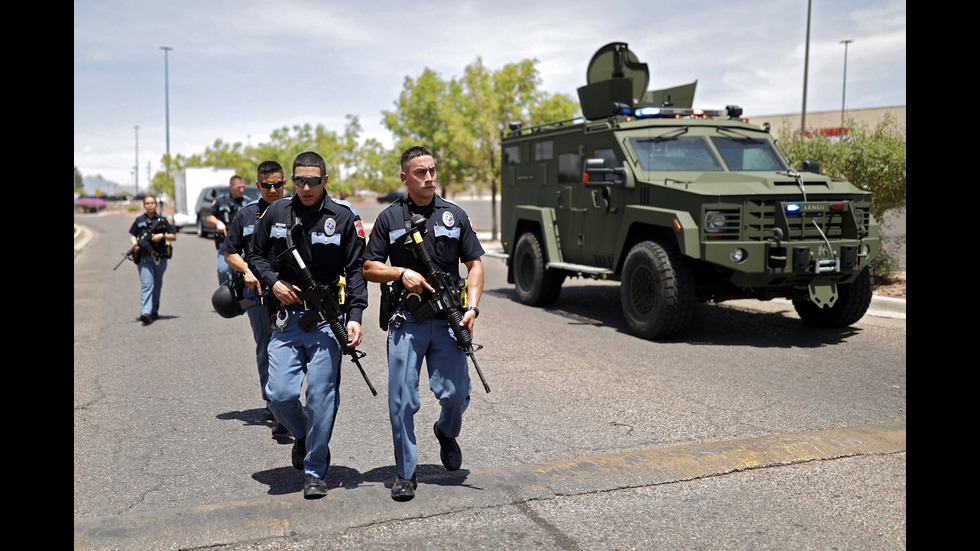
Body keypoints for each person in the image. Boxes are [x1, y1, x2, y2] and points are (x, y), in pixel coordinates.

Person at [363, 146, 484, 501]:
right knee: (401, 401)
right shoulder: (389, 218)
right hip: (408, 320)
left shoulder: (454, 214)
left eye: (432, 170)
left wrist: (472, 308)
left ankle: (446, 431)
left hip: (448, 320)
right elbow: (369, 267)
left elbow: (474, 264)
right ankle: (406, 473)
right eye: (420, 172)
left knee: (457, 395)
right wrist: (401, 273)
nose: (429, 177)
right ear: (404, 177)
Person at [247, 151, 367, 499]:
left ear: (325, 181)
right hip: (287, 319)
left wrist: (356, 316)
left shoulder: (342, 216)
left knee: (320, 397)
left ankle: (315, 469)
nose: (306, 186)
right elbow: (254, 254)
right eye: (299, 180)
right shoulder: (277, 212)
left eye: (313, 180)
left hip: (328, 321)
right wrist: (273, 283)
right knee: (279, 396)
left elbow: (356, 270)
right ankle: (302, 434)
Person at [223, 161, 287, 434]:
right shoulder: (246, 215)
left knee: (291, 348)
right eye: (267, 185)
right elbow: (230, 252)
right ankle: (274, 403)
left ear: (285, 184)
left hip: (290, 292)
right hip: (258, 292)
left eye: (278, 184)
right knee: (267, 345)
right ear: (258, 186)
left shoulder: (296, 210)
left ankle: (287, 398)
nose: (273, 190)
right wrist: (247, 269)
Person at [128, 196, 177, 324]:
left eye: (152, 203)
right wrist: (135, 244)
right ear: (144, 205)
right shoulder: (139, 220)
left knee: (157, 285)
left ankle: (154, 311)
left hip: (160, 258)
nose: (150, 205)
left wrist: (162, 235)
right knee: (147, 284)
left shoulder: (163, 220)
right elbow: (133, 235)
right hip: (144, 258)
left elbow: (173, 236)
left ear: (156, 204)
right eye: (147, 203)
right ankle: (146, 312)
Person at [208, 174, 248, 285]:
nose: (242, 190)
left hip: (242, 244)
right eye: (238, 187)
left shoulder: (247, 202)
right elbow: (209, 217)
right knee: (223, 270)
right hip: (225, 243)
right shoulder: (221, 201)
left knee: (241, 273)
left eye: (243, 187)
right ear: (231, 187)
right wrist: (218, 222)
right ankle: (225, 296)